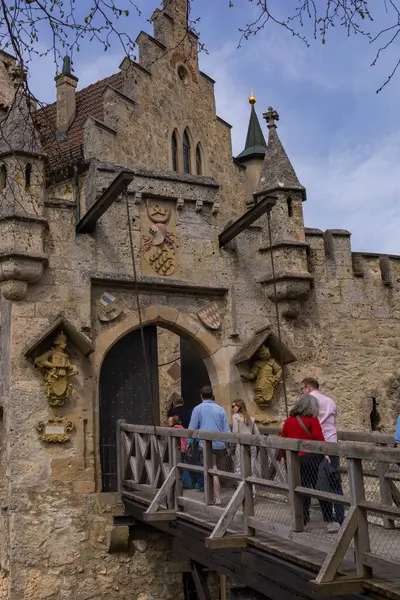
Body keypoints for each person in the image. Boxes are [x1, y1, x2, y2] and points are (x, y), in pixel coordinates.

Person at [281, 394, 335, 529]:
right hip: (312, 458)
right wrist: (326, 454)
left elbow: (283, 440)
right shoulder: (313, 421)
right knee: (321, 488)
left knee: (301, 490)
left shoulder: (289, 421)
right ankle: (329, 520)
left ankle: (303, 520)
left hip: (295, 459)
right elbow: (319, 439)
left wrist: (283, 456)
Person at [301, 378, 344, 530]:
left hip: (316, 446)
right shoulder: (330, 400)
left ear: (307, 388)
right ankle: (339, 516)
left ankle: (306, 516)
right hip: (332, 443)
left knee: (312, 481)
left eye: (302, 389)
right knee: (334, 480)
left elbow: (308, 422)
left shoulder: (308, 402)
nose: (302, 392)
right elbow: (334, 420)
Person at [187, 385, 231, 505]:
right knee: (214, 469)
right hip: (220, 444)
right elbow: (226, 430)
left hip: (206, 445)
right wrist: (228, 446)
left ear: (201, 396)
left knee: (211, 469)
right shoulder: (220, 409)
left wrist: (188, 445)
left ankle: (215, 498)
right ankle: (212, 496)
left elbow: (191, 429)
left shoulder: (197, 409)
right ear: (212, 396)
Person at [232, 399, 260, 478]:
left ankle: (241, 487)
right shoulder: (251, 418)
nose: (232, 408)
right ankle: (252, 488)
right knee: (252, 467)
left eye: (233, 406)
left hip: (241, 444)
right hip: (252, 444)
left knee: (239, 467)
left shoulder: (235, 417)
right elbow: (257, 433)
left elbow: (235, 432)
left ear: (239, 407)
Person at [168, 415, 191, 489]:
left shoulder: (173, 429)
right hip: (183, 449)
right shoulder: (182, 428)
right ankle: (187, 482)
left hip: (177, 449)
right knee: (184, 466)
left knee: (176, 465)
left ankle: (179, 482)